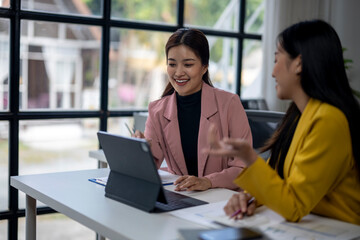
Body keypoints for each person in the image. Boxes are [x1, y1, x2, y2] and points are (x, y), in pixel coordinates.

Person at [205, 20, 360, 225]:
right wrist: (250, 197)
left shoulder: (328, 120)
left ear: (299, 63)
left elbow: (293, 206)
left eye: (277, 59)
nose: (273, 71)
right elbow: (276, 180)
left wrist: (249, 157)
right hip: (311, 226)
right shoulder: (298, 115)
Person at [134, 28, 252, 191]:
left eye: (188, 64)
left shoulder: (229, 104)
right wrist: (138, 149)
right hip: (182, 197)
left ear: (204, 67)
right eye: (172, 64)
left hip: (222, 199)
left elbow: (243, 168)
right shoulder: (157, 110)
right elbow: (148, 167)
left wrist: (208, 181)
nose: (179, 72)